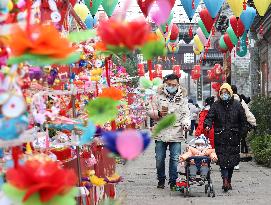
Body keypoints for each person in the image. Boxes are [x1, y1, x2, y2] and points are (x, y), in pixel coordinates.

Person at [147, 74, 190, 190]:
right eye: (169, 84)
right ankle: (161, 179)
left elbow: (186, 114)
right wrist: (159, 114)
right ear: (165, 84)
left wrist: (186, 124)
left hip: (176, 132)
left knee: (175, 158)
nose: (171, 86)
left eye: (174, 85)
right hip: (161, 131)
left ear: (178, 85)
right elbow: (149, 110)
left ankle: (173, 181)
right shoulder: (157, 96)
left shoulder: (182, 98)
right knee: (159, 158)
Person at [204, 83, 247, 192]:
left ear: (230, 93)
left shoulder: (237, 105)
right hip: (220, 136)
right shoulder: (216, 105)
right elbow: (209, 117)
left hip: (234, 136)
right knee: (222, 160)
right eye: (222, 93)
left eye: (226, 93)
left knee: (232, 161)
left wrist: (242, 133)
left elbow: (243, 120)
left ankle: (229, 179)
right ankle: (225, 180)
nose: (224, 95)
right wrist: (207, 124)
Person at [231, 85, 256, 169]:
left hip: (227, 126)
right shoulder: (241, 100)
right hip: (238, 126)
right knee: (236, 144)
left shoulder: (225, 100)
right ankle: (235, 163)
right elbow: (247, 113)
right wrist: (254, 122)